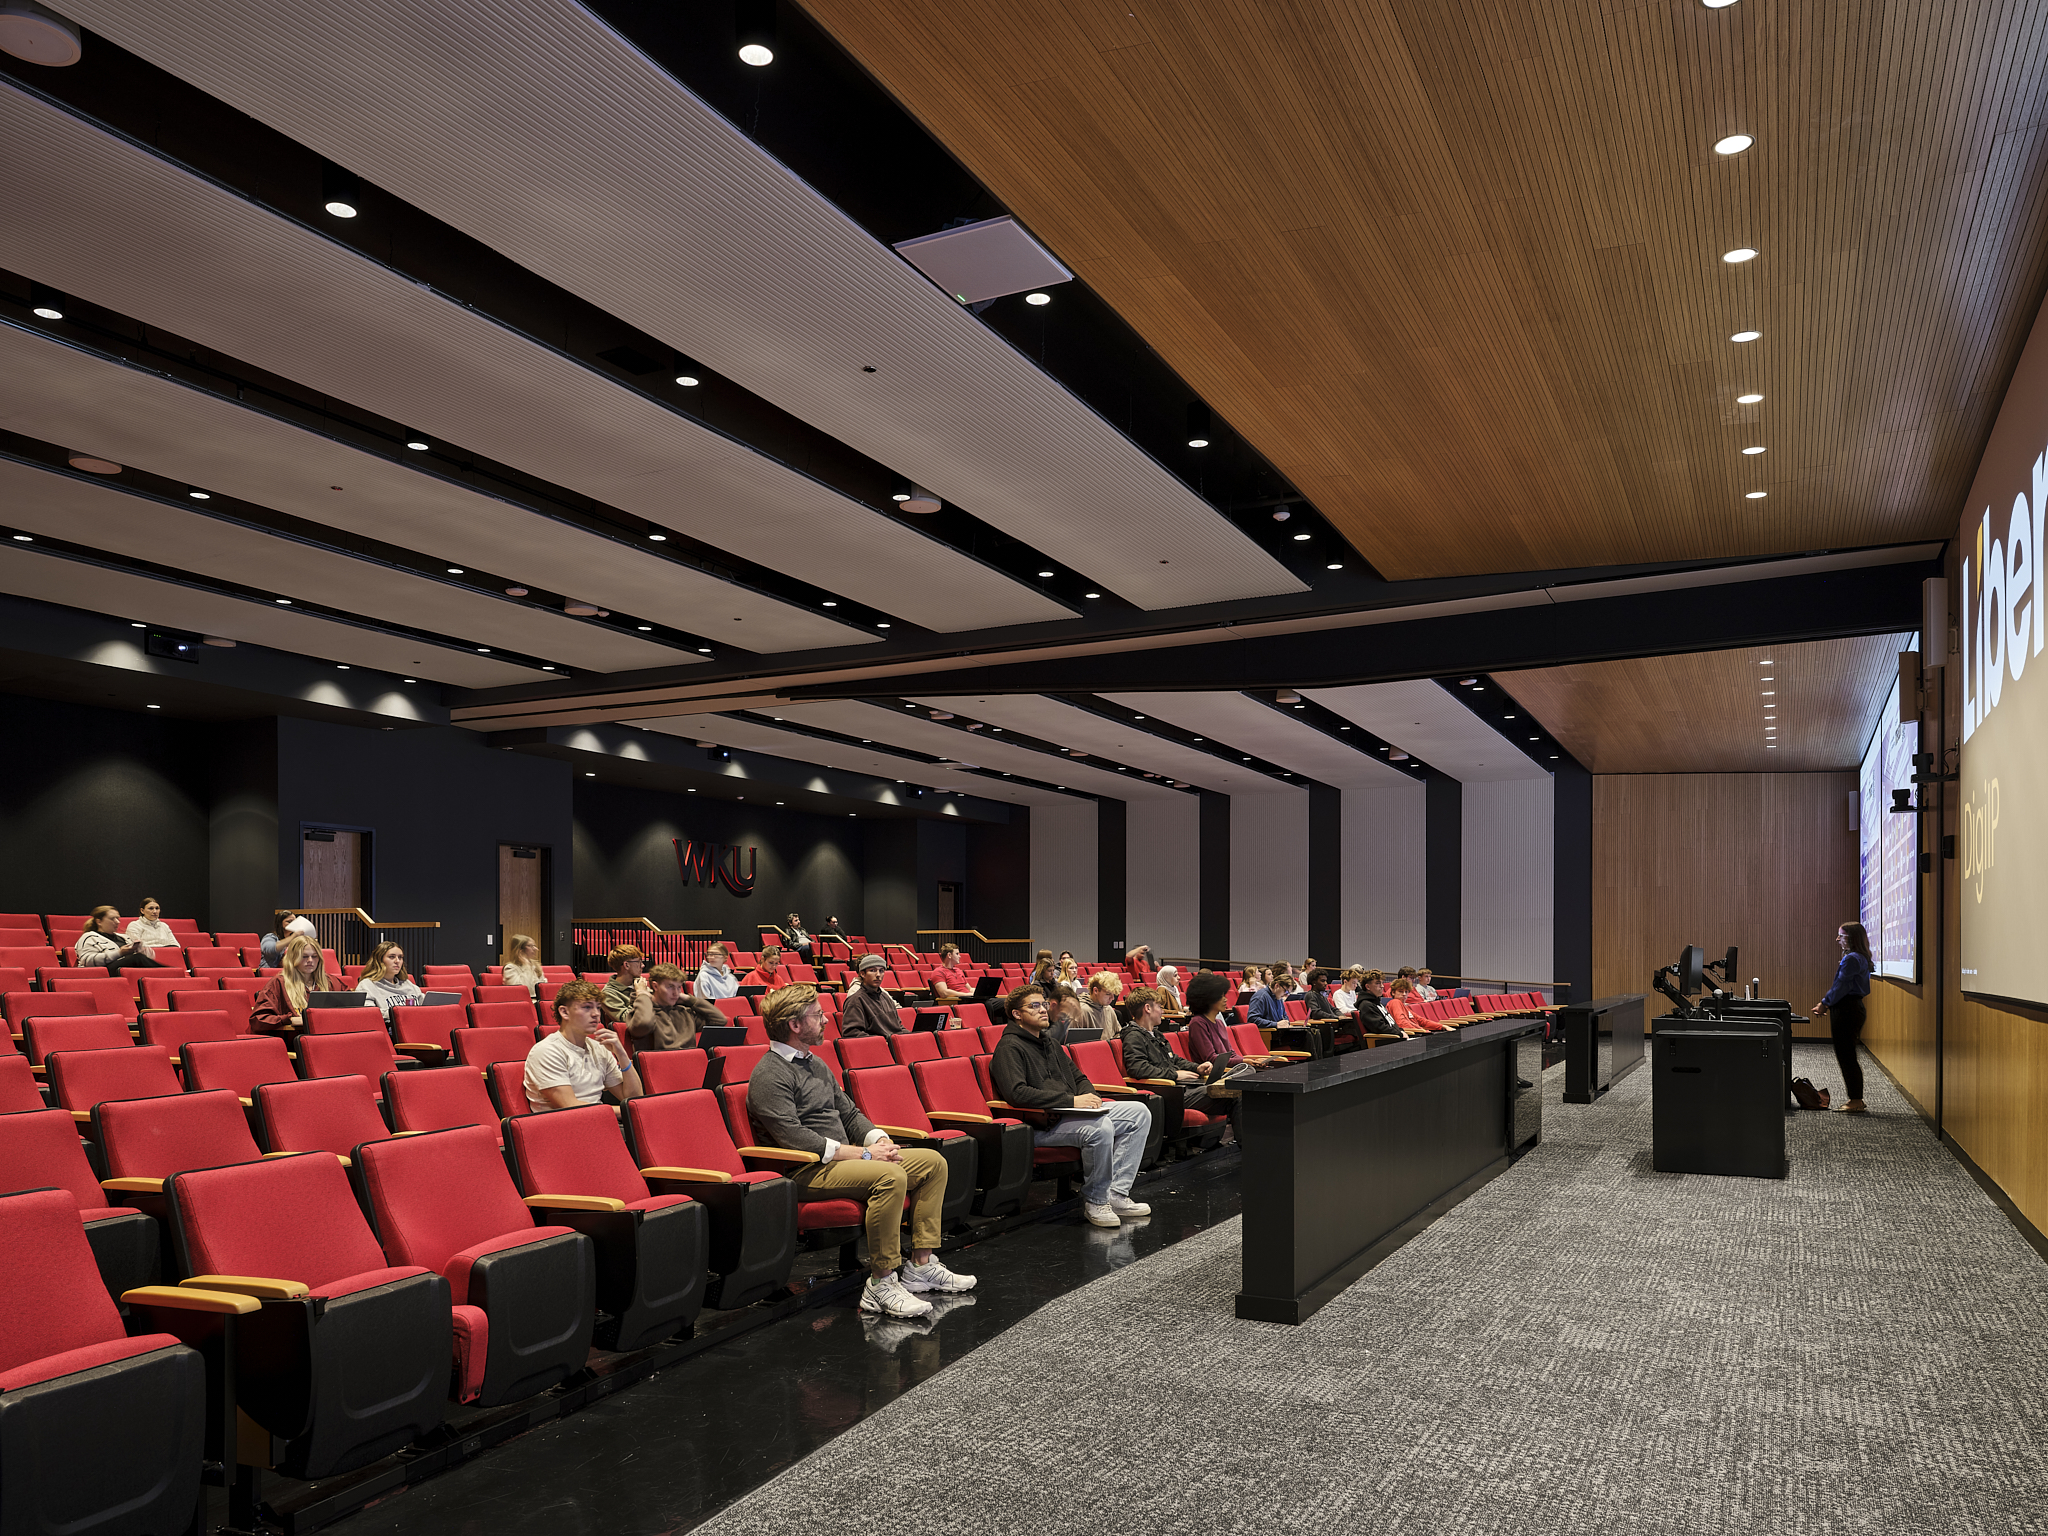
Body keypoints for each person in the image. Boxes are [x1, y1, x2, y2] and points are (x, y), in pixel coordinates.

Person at [748, 984, 974, 1318]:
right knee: (890, 1174)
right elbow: (796, 1139)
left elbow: (850, 1113)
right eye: (816, 1014)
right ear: (794, 1025)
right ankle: (881, 1282)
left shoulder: (816, 1063)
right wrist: (866, 1156)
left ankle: (920, 1266)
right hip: (805, 1170)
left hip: (845, 1160)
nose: (826, 1019)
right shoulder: (769, 1074)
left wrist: (877, 1141)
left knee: (932, 1162)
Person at [990, 984, 1153, 1229]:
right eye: (1034, 1006)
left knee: (1139, 1113)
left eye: (1044, 1004)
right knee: (1100, 1128)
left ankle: (1117, 1194)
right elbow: (1017, 1093)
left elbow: (1078, 1077)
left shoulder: (1050, 1044)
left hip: (1069, 1114)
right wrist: (1072, 1102)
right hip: (1041, 1124)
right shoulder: (1008, 1048)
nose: (1044, 1010)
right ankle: (1096, 1201)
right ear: (1016, 1014)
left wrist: (1089, 1095)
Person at [524, 981, 643, 1113]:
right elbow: (570, 1106)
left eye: (598, 1007)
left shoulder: (599, 1048)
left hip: (598, 1120)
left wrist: (622, 1055)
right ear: (564, 1012)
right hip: (561, 1127)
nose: (596, 1014)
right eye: (587, 1007)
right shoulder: (547, 1051)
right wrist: (626, 1111)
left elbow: (633, 1098)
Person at [1119, 986, 1217, 1114]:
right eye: (1159, 1007)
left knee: (1233, 1092)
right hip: (1168, 1093)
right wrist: (1175, 1074)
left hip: (1179, 1087)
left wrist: (1196, 1068)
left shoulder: (1156, 1034)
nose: (1162, 1011)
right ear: (1148, 1008)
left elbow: (1173, 1059)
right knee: (1222, 1092)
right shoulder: (1133, 1036)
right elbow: (1138, 1068)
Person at [1811, 921, 1874, 1113]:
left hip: (1847, 1010)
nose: (1837, 939)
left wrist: (1824, 1003)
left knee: (1846, 1056)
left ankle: (1856, 1100)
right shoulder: (1859, 957)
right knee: (1847, 1055)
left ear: (1852, 938)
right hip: (1852, 1008)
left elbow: (1841, 986)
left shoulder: (1852, 959)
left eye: (1842, 936)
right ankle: (1855, 1098)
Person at [1186, 970, 1285, 1071]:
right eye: (1220, 997)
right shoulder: (1198, 1023)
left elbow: (1231, 1054)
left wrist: (1252, 1060)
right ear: (1208, 999)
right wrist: (1245, 1061)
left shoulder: (1219, 1022)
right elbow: (1211, 1059)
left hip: (1228, 1069)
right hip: (1214, 1073)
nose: (1225, 999)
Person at [252, 934, 341, 1033]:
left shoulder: (332, 982)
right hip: (295, 1041)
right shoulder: (278, 983)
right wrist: (290, 1019)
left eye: (314, 956)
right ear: (293, 958)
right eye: (304, 956)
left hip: (329, 1036)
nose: (310, 960)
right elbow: (258, 1020)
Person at [622, 962, 714, 1053]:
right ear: (655, 986)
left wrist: (689, 999)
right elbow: (644, 1024)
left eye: (679, 987)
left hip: (690, 1063)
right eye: (670, 987)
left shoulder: (684, 1012)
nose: (676, 993)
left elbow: (718, 1021)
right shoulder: (642, 1013)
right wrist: (642, 994)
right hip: (660, 1064)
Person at [75, 906, 166, 974]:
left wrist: (142, 949)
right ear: (99, 922)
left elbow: (149, 957)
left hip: (128, 972)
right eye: (112, 919)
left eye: (118, 918)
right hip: (103, 973)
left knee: (138, 957)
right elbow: (87, 961)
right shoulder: (89, 937)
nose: (117, 922)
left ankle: (168, 974)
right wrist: (119, 953)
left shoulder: (124, 937)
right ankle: (167, 973)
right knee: (136, 958)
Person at [838, 954, 904, 1036]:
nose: (878, 975)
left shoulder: (885, 997)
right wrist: (882, 1042)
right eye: (872, 970)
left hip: (893, 1042)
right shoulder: (856, 1000)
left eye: (881, 971)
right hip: (879, 1045)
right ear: (862, 974)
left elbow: (899, 1028)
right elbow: (852, 1033)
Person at [355, 941, 424, 1018]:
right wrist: (400, 1013)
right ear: (379, 960)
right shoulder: (367, 985)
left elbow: (426, 1005)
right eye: (392, 957)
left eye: (400, 957)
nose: (397, 961)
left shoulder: (407, 984)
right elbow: (369, 1015)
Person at [600, 945, 647, 1024]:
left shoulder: (640, 984)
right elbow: (626, 1019)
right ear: (626, 965)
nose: (643, 965)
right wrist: (640, 995)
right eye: (639, 962)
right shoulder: (608, 993)